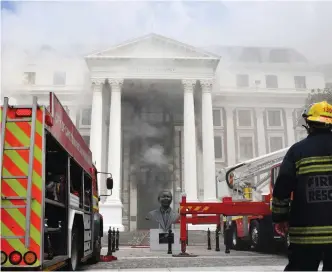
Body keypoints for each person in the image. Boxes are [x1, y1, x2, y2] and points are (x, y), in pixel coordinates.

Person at [271, 101, 332, 271]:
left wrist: (280, 218)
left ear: (309, 124)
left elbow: (282, 188)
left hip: (305, 235)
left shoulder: (297, 151)